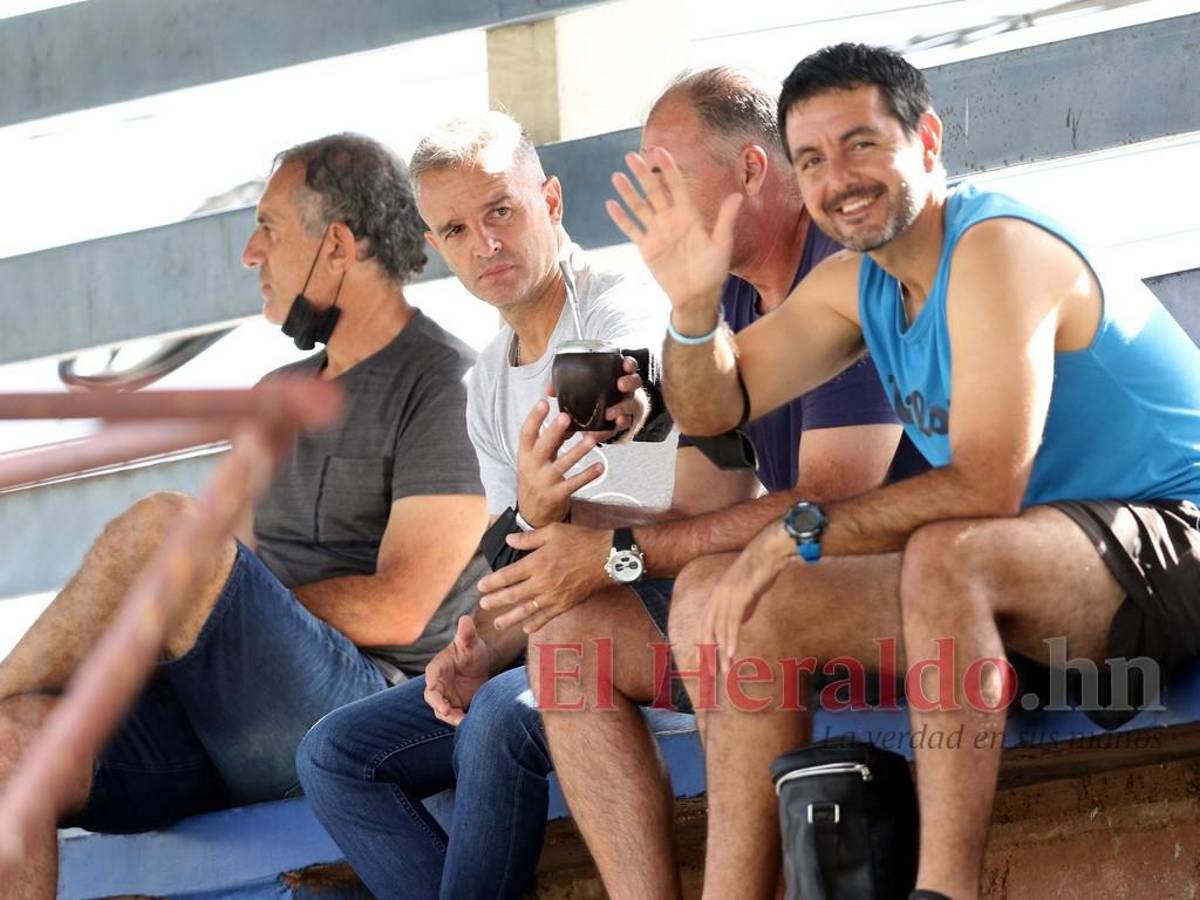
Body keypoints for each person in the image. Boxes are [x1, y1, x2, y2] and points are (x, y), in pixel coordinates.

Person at [610, 43, 1200, 899]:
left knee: (947, 553)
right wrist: (694, 312)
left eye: (861, 145)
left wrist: (795, 532)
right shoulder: (859, 283)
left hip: (1170, 539)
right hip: (1038, 570)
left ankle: (942, 890)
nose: (838, 179)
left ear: (926, 139)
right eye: (812, 159)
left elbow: (988, 485)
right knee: (730, 595)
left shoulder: (996, 248)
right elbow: (715, 407)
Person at [0, 133, 488, 899]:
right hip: (230, 717)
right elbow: (226, 583)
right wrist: (198, 617)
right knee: (13, 742)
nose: (250, 254)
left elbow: (402, 606)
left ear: (336, 247)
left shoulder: (447, 382)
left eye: (268, 228)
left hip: (364, 711)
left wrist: (208, 606)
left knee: (164, 531)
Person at [478, 68, 923, 899]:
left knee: (715, 595)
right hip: (788, 608)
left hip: (912, 596)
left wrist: (615, 555)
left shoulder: (849, 264)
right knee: (568, 638)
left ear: (752, 169)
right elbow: (696, 501)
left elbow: (828, 506)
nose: (655, 211)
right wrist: (556, 510)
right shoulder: (721, 304)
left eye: (668, 181)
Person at [295, 111, 687, 900]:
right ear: (437, 248)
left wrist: (541, 520)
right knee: (337, 754)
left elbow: (628, 520)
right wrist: (480, 650)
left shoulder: (616, 314)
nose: (486, 243)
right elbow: (533, 557)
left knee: (501, 717)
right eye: (457, 230)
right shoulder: (486, 385)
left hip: (669, 609)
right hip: (568, 627)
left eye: (500, 210)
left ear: (550, 200)